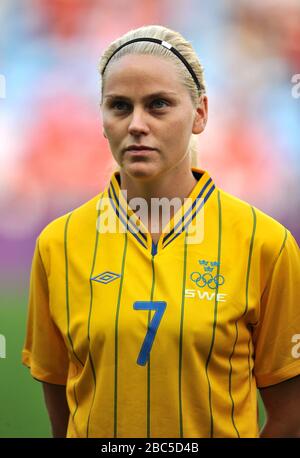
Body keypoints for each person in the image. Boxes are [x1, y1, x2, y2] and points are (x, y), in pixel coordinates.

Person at [22, 25, 300, 439]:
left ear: (200, 114)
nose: (136, 124)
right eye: (119, 106)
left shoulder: (266, 243)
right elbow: (62, 414)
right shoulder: (57, 245)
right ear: (101, 119)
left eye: (158, 105)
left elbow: (291, 418)